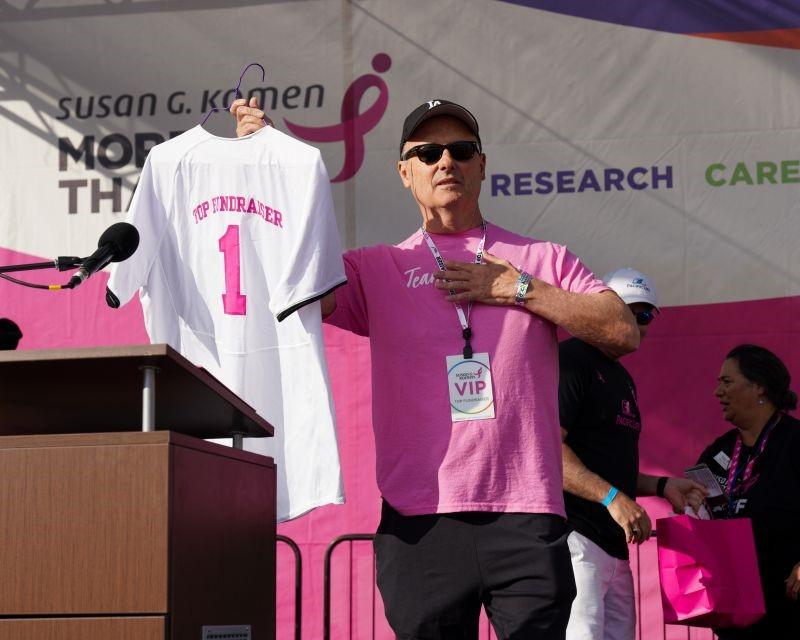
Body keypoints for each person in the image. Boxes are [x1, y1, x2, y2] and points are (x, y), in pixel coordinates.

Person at [232, 97, 639, 639]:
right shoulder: (377, 268)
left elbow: (621, 329)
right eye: (427, 153)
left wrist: (518, 289)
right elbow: (290, 282)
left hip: (525, 517)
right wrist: (262, 169)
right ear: (406, 173)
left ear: (481, 165)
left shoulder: (539, 258)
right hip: (420, 524)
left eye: (460, 149)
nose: (445, 162)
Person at [558, 268, 706, 640]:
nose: (637, 323)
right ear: (604, 310)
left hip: (614, 543)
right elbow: (546, 451)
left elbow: (610, 466)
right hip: (575, 538)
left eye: (646, 315)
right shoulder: (571, 360)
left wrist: (661, 486)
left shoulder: (622, 378)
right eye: (628, 311)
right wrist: (611, 498)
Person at [696, 344, 800, 638]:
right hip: (736, 618)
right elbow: (699, 519)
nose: (717, 392)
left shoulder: (795, 442)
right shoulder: (716, 454)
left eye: (727, 382)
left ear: (760, 387)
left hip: (789, 612)